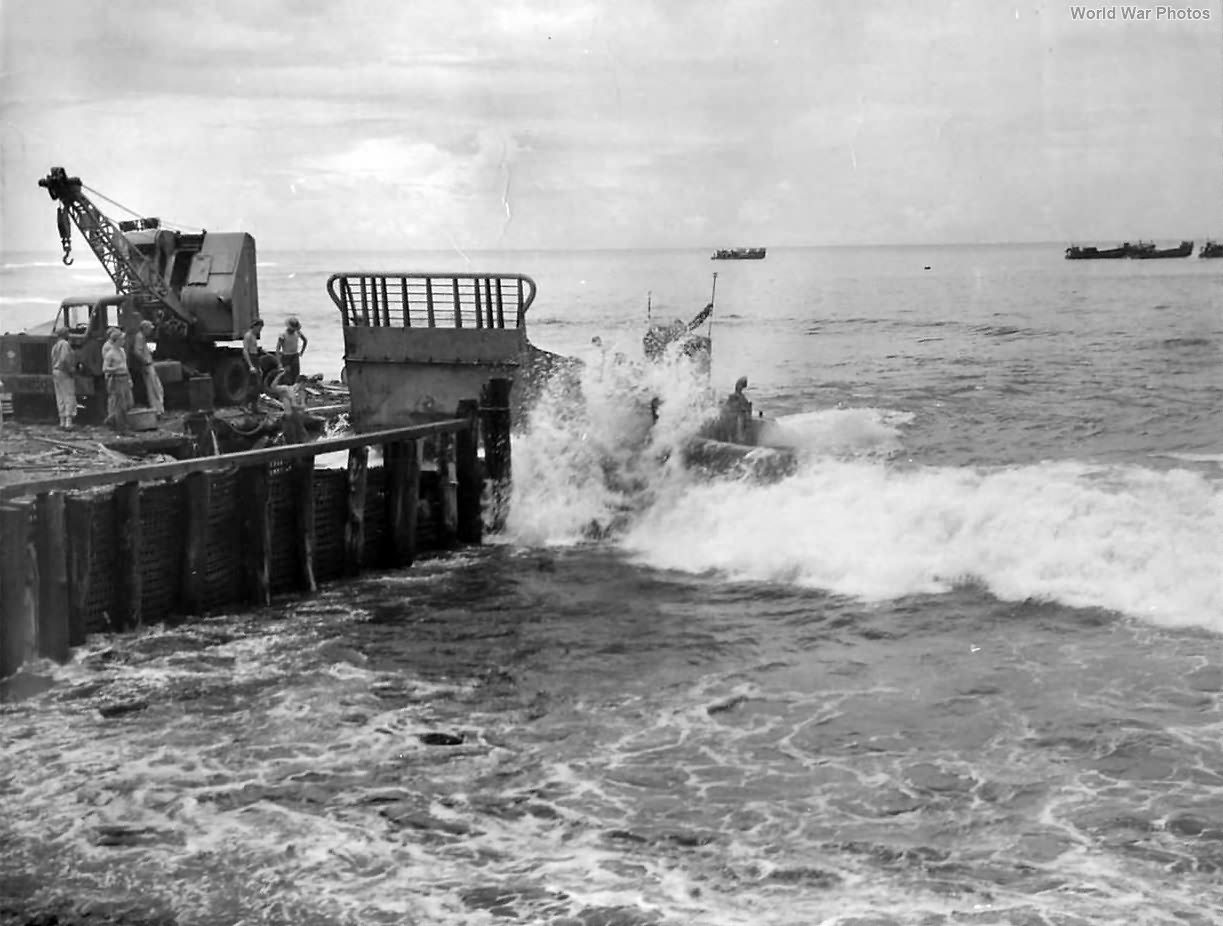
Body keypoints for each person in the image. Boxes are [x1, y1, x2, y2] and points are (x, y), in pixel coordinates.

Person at [131, 320, 164, 417]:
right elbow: (137, 351)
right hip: (147, 366)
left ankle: (158, 409)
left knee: (156, 388)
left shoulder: (142, 337)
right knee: (153, 389)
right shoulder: (140, 337)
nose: (150, 331)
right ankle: (157, 410)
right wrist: (145, 361)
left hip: (148, 365)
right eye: (149, 329)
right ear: (145, 328)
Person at [102, 327, 133, 431]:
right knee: (120, 405)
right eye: (121, 339)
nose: (123, 341)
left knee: (129, 402)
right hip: (117, 379)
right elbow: (105, 369)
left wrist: (129, 378)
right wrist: (115, 369)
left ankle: (111, 419)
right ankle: (121, 427)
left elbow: (126, 366)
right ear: (116, 341)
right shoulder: (110, 354)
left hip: (125, 378)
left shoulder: (122, 351)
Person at [268, 370, 309, 444]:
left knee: (302, 438)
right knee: (291, 439)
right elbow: (273, 387)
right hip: (288, 418)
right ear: (302, 383)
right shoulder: (286, 389)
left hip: (297, 419)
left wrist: (299, 405)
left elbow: (302, 406)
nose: (305, 387)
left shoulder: (302, 393)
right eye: (305, 385)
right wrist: (279, 375)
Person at [50, 328, 78, 429]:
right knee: (69, 395)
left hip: (56, 371)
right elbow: (64, 358)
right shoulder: (65, 344)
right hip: (64, 372)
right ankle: (68, 422)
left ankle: (62, 421)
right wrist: (70, 370)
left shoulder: (55, 345)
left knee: (60, 396)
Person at [242, 318, 267, 409]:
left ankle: (254, 405)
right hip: (251, 359)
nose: (260, 330)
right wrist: (250, 366)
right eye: (259, 328)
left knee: (258, 384)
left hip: (255, 358)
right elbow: (245, 351)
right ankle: (245, 405)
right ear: (255, 326)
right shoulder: (248, 335)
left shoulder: (254, 336)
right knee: (252, 384)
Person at [276, 317, 308, 382]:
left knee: (296, 375)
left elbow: (305, 340)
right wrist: (279, 362)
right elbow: (278, 348)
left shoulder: (298, 332)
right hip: (286, 356)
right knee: (287, 375)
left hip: (295, 355)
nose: (293, 330)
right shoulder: (283, 335)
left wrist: (302, 352)